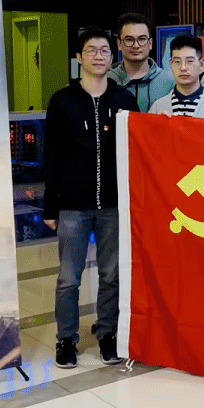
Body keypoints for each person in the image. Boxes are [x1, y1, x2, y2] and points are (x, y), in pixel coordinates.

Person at [44, 27, 139, 369]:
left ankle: (107, 332)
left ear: (112, 56)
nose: (99, 56)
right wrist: (50, 205)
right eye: (91, 50)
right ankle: (66, 338)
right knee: (68, 278)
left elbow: (135, 152)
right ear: (78, 57)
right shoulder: (62, 101)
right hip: (73, 204)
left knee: (111, 274)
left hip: (113, 205)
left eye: (104, 50)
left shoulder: (124, 100)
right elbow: (52, 156)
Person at [150, 34, 204, 119]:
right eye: (177, 61)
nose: (183, 68)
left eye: (190, 61)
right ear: (171, 64)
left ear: (201, 64)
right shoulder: (157, 107)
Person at [107, 12, 173, 112]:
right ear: (119, 44)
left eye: (142, 39)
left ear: (150, 43)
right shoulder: (107, 81)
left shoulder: (169, 82)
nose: (136, 45)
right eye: (129, 39)